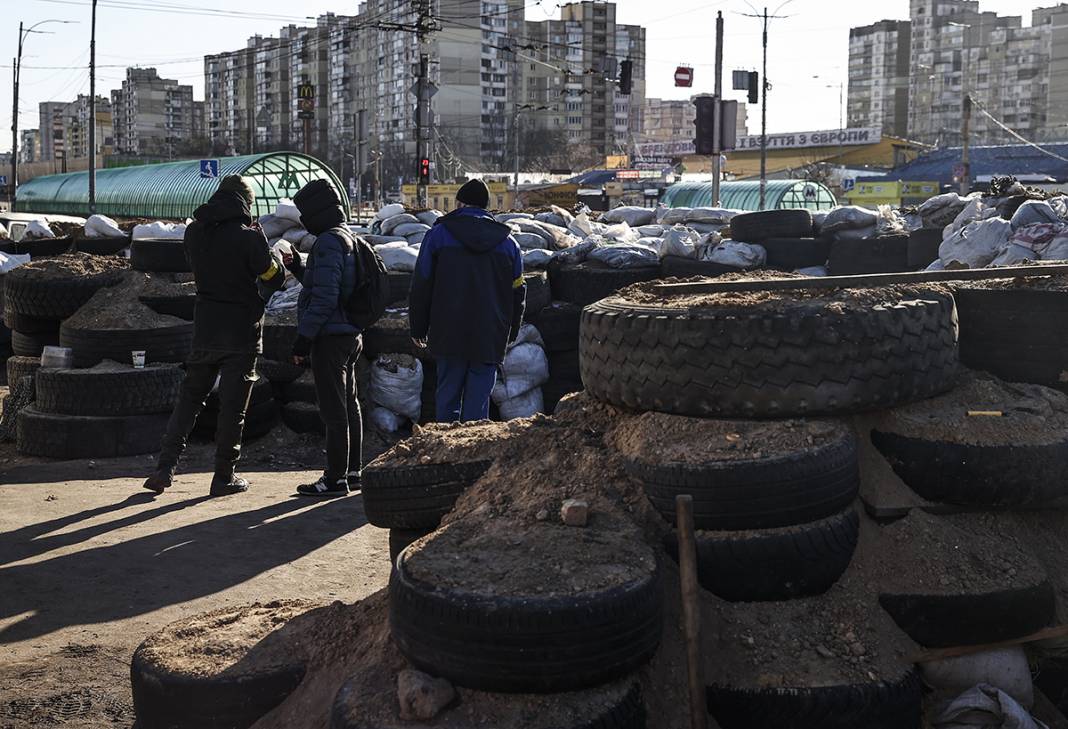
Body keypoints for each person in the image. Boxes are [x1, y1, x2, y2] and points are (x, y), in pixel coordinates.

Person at [143, 175, 285, 496]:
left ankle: (165, 467)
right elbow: (271, 276)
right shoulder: (248, 238)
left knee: (190, 400)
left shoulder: (194, 233)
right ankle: (223, 477)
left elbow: (201, 267)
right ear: (245, 204)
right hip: (241, 333)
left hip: (205, 329)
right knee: (233, 408)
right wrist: (271, 253)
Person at [409, 179, 526, 422]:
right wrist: (511, 331)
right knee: (478, 405)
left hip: (448, 331)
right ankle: (474, 453)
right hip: (490, 333)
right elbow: (518, 291)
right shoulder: (509, 244)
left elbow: (422, 284)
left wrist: (418, 327)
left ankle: (445, 453)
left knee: (447, 398)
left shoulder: (437, 236)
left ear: (459, 203)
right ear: (486, 207)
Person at [284, 179, 362, 498]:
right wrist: (301, 268)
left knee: (333, 409)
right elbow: (328, 285)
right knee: (350, 404)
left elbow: (326, 298)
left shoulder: (329, 242)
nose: (303, 220)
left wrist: (304, 338)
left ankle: (334, 478)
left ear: (318, 213)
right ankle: (353, 471)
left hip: (331, 336)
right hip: (350, 334)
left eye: (306, 213)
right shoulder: (347, 237)